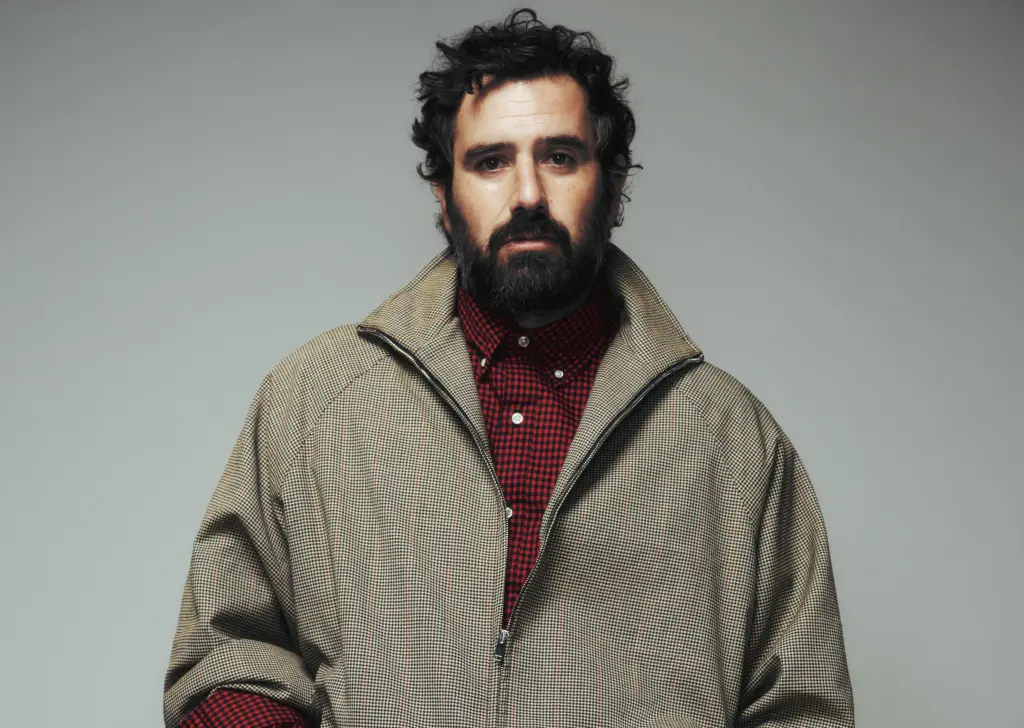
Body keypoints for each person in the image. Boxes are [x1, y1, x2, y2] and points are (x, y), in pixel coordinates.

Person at [164, 8, 854, 727]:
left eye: (559, 157)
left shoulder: (734, 439)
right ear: (444, 194)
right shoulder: (315, 398)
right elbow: (223, 658)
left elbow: (802, 707)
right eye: (490, 162)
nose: (527, 195)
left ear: (613, 183)